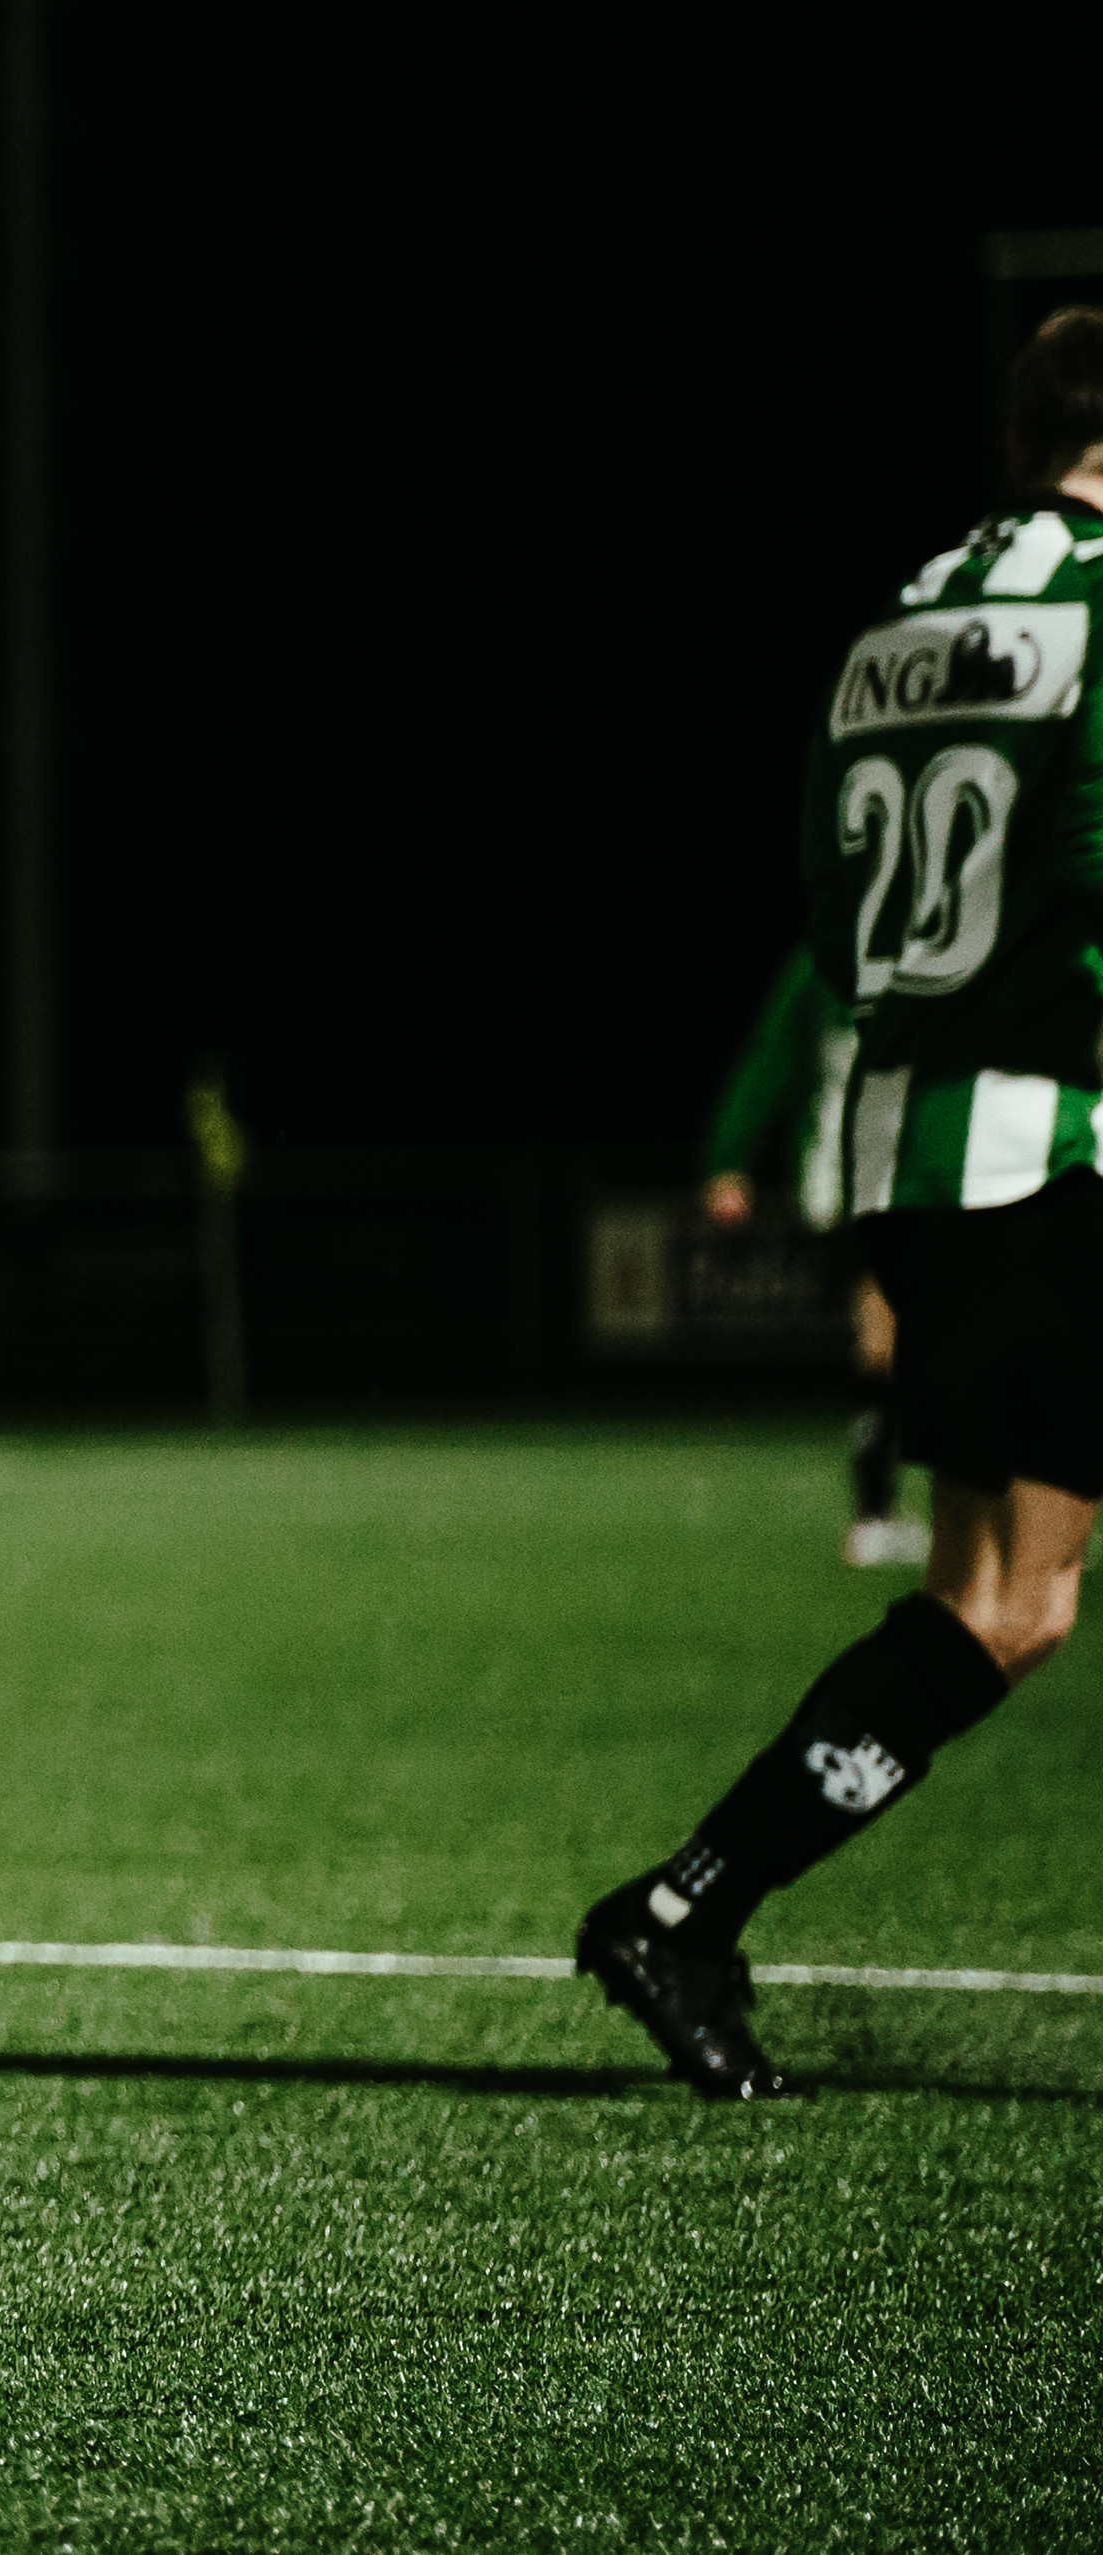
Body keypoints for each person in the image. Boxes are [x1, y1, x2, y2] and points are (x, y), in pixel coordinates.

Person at [578, 308, 1103, 2100]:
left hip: (915, 1147)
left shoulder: (901, 615)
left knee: (1002, 1599)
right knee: (1013, 1596)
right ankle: (682, 1906)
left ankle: (685, 1907)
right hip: (1059, 1146)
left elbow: (826, 904)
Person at [700, 947, 922, 1567]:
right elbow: (771, 1056)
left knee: (910, 1338)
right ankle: (876, 1513)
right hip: (854, 1178)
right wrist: (730, 1157)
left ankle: (895, 1512)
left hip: (923, 1174)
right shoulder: (826, 961)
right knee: (884, 1333)